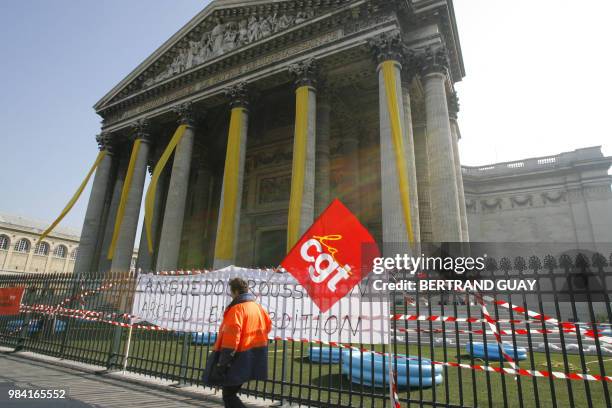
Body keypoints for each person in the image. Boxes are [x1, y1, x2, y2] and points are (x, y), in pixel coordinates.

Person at [203, 277, 272, 408]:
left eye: (231, 292)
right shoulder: (258, 307)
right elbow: (267, 327)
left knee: (228, 395)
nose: (230, 295)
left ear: (235, 292)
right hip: (255, 355)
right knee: (229, 392)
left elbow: (231, 341)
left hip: (238, 357)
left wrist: (222, 365)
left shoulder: (236, 310)